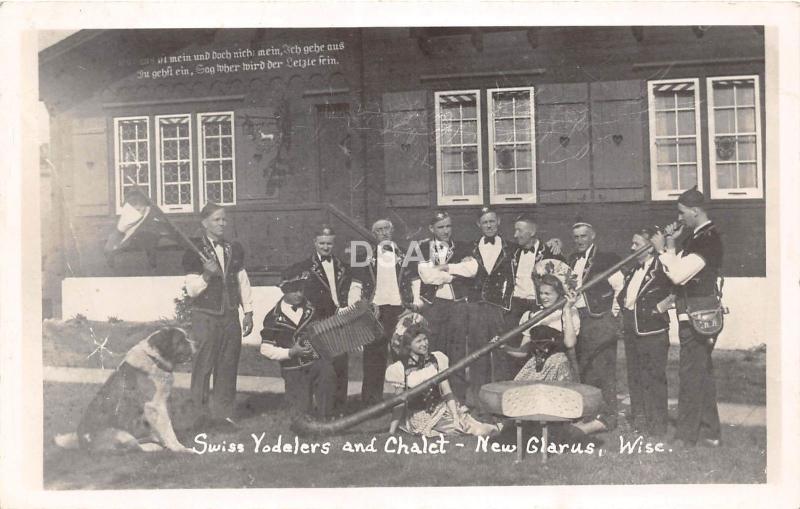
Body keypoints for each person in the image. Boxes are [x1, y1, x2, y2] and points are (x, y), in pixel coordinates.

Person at [650, 187, 723, 448]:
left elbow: (678, 275)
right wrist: (671, 243)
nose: (678, 218)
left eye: (681, 213)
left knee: (691, 375)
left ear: (695, 211)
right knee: (702, 374)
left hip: (697, 316)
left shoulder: (708, 239)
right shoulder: (696, 236)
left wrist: (661, 250)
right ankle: (710, 433)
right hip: (692, 314)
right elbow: (679, 266)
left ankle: (685, 436)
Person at [182, 202, 253, 429]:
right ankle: (200, 417)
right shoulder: (193, 250)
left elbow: (243, 281)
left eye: (224, 219)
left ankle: (224, 416)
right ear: (204, 223)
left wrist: (248, 311)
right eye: (216, 219)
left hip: (231, 315)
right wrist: (206, 275)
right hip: (206, 317)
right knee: (203, 366)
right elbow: (192, 290)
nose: (222, 223)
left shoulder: (234, 248)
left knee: (228, 366)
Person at [385, 313, 502, 438]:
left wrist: (455, 416)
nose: (424, 344)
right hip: (419, 416)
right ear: (408, 345)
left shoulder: (437, 359)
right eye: (418, 341)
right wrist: (391, 431)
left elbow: (446, 390)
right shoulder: (400, 368)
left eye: (425, 339)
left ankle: (495, 428)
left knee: (465, 423)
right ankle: (494, 429)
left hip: (442, 409)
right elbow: (399, 403)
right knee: (467, 429)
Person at [408, 210, 477, 402]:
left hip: (457, 305)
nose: (446, 231)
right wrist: (455, 274)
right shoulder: (422, 248)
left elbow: (471, 270)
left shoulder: (463, 247)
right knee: (434, 351)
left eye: (448, 226)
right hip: (433, 305)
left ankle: (459, 399)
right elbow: (427, 276)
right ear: (431, 228)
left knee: (457, 352)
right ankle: (434, 400)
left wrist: (445, 268)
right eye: (441, 227)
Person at [348, 219, 413, 406]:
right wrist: (359, 308)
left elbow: (415, 282)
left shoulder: (404, 253)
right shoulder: (364, 256)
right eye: (379, 230)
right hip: (375, 311)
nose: (383, 233)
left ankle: (408, 402)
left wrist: (414, 305)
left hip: (400, 311)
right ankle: (372, 404)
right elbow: (356, 285)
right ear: (373, 234)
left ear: (392, 231)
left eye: (386, 229)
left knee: (403, 356)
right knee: (373, 358)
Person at [568, 220, 624, 433]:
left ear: (592, 236)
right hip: (578, 319)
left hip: (599, 318)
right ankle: (590, 415)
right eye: (576, 237)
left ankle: (608, 417)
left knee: (603, 369)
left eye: (583, 236)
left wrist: (613, 314)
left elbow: (621, 287)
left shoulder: (606, 259)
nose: (579, 241)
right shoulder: (571, 259)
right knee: (584, 368)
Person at [260, 264, 336, 418]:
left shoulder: (313, 309)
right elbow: (265, 349)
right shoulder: (273, 317)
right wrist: (291, 352)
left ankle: (326, 419)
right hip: (293, 369)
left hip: (316, 363)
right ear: (284, 290)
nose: (300, 294)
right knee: (300, 415)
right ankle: (304, 417)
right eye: (295, 290)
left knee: (328, 374)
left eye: (302, 290)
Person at [618, 228, 673, 437]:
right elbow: (625, 297)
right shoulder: (633, 269)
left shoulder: (662, 267)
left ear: (650, 248)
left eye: (637, 244)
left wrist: (659, 308)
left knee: (654, 378)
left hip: (653, 331)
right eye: (632, 243)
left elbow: (677, 291)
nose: (631, 248)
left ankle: (658, 426)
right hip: (632, 330)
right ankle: (640, 422)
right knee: (635, 377)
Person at [297, 225, 352, 415]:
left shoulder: (343, 267)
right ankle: (322, 409)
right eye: (322, 243)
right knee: (322, 367)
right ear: (315, 243)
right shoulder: (305, 268)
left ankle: (340, 409)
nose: (326, 247)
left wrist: (344, 309)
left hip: (340, 319)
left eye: (329, 244)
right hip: (319, 322)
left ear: (334, 244)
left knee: (341, 364)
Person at [466, 207, 515, 411]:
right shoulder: (469, 248)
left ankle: (504, 401)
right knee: (478, 355)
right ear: (479, 224)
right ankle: (480, 403)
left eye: (492, 221)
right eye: (485, 222)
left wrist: (554, 242)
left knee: (502, 353)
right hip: (477, 307)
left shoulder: (511, 247)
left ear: (499, 222)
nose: (489, 225)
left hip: (500, 307)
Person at [507, 215, 565, 372]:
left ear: (532, 232)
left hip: (539, 306)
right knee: (515, 352)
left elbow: (563, 281)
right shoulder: (512, 252)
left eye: (519, 230)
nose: (515, 235)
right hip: (516, 307)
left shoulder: (550, 252)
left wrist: (556, 242)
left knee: (540, 351)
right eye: (515, 230)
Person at [503, 274, 581, 383]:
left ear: (558, 294)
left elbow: (570, 343)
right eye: (541, 293)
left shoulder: (570, 312)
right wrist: (504, 347)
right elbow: (523, 352)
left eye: (548, 294)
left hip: (559, 366)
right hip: (536, 366)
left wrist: (567, 309)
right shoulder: (533, 316)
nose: (543, 297)